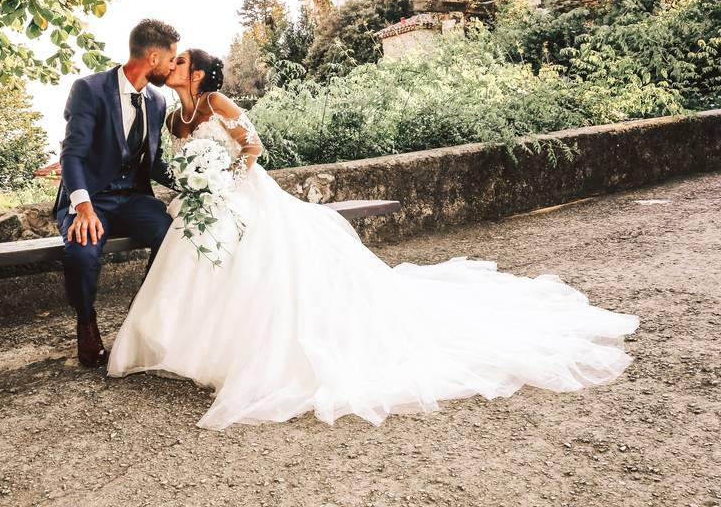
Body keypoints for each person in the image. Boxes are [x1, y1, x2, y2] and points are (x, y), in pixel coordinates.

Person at [107, 48, 639, 430]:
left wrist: (228, 181)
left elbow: (255, 147)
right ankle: (180, 346)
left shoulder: (218, 104)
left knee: (260, 268)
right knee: (197, 260)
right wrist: (201, 186)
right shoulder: (176, 116)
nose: (169, 67)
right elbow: (173, 162)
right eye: (167, 62)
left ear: (196, 72)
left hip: (246, 195)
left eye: (176, 62)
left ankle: (233, 356)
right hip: (207, 203)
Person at [54, 19, 179, 367]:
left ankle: (139, 317)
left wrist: (197, 183)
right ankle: (86, 322)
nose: (172, 68)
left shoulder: (156, 101)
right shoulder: (89, 90)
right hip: (90, 199)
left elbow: (153, 163)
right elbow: (72, 155)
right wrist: (82, 208)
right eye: (171, 60)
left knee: (172, 235)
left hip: (132, 198)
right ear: (153, 57)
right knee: (81, 250)